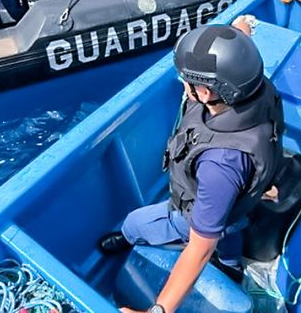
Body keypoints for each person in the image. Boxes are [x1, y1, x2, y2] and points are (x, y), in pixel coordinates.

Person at [98, 19, 284, 313]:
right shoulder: (254, 87)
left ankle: (127, 237)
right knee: (230, 234)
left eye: (187, 80)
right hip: (239, 207)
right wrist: (240, 34)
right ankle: (231, 267)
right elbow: (239, 58)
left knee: (134, 223)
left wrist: (158, 311)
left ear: (207, 93)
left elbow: (199, 248)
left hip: (204, 208)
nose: (184, 84)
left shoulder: (220, 164)